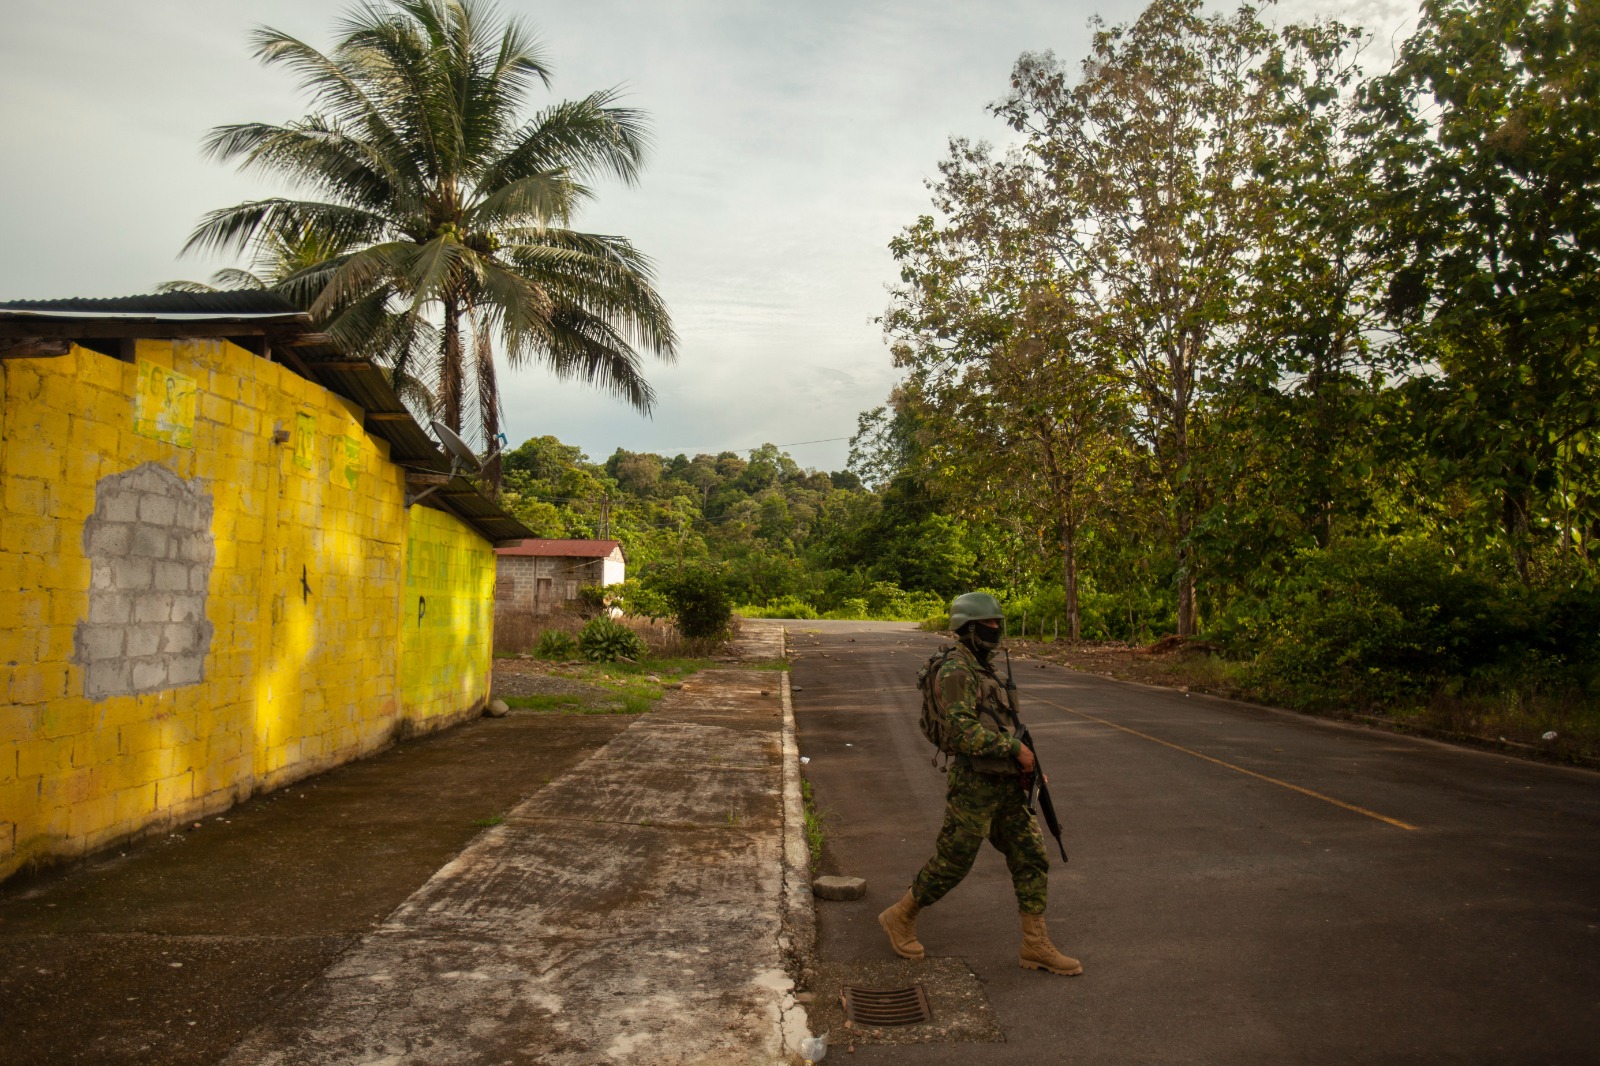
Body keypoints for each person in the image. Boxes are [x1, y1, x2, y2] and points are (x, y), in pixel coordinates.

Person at [877, 591, 1083, 975]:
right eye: (988, 624)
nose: (995, 630)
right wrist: (1014, 749)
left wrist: (1028, 766)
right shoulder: (956, 670)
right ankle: (900, 916)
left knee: (1031, 857)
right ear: (968, 628)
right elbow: (962, 732)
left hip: (1005, 783)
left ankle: (1035, 945)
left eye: (996, 623)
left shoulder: (985, 668)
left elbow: (1003, 725)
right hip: (974, 784)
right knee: (953, 863)